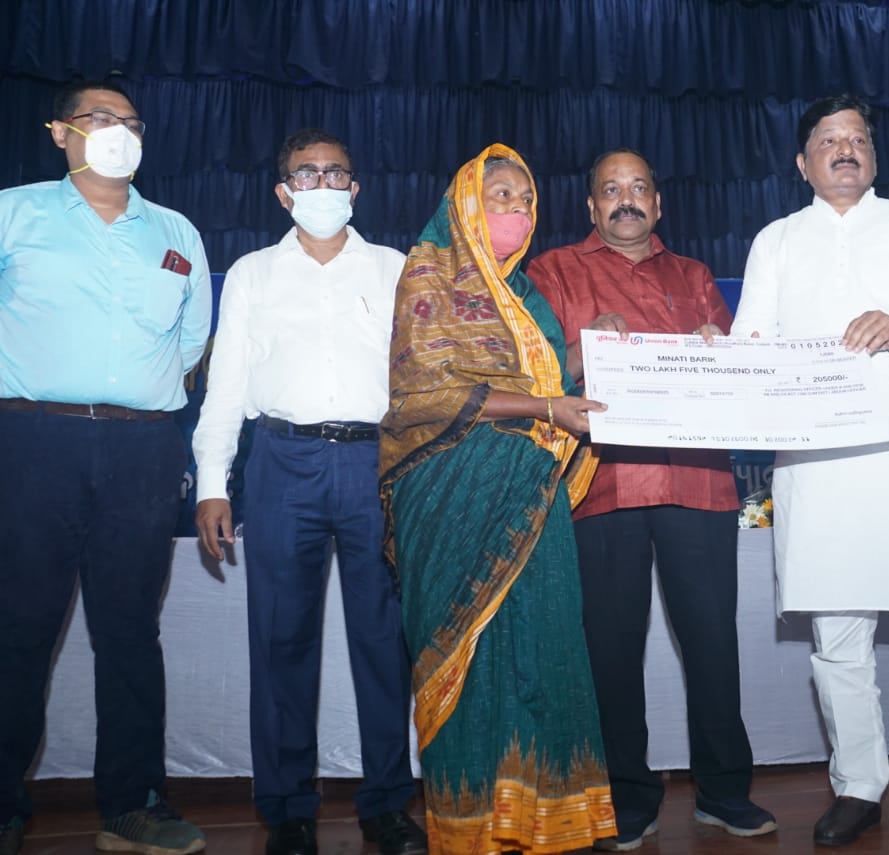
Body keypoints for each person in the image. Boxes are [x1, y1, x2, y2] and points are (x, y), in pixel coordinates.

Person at [730, 94, 889, 849]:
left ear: (873, 156)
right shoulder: (776, 241)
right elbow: (750, 343)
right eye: (829, 139)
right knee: (837, 636)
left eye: (858, 138)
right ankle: (859, 786)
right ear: (802, 162)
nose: (846, 148)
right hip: (817, 468)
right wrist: (723, 353)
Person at [527, 148, 776, 851]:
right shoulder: (553, 271)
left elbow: (737, 382)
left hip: (698, 483)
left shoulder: (695, 276)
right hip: (600, 484)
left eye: (639, 188)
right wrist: (582, 350)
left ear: (658, 204)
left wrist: (720, 350)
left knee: (713, 643)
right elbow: (532, 374)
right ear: (591, 207)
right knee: (610, 652)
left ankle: (724, 793)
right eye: (611, 190)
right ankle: (626, 799)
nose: (626, 199)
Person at [191, 129, 426, 855]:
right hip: (280, 463)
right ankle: (288, 807)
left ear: (355, 188)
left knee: (384, 641)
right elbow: (226, 385)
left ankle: (388, 803)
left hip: (375, 464)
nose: (321, 185)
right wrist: (212, 483)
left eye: (334, 173)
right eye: (306, 174)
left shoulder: (396, 269)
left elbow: (422, 381)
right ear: (283, 191)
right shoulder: (253, 273)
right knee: (280, 639)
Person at [379, 143, 616, 854]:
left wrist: (587, 353)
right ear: (464, 205)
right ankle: (470, 825)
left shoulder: (527, 296)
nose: (515, 208)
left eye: (525, 198)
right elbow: (428, 389)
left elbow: (548, 385)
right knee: (472, 658)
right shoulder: (428, 275)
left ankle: (549, 821)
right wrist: (547, 404)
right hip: (451, 496)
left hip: (531, 497)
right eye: (500, 196)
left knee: (546, 646)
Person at [0, 79, 211, 855]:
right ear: (60, 132)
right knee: (18, 627)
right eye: (98, 118)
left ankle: (132, 804)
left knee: (130, 631)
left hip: (142, 450)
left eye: (129, 121)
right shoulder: (12, 213)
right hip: (32, 441)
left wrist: (133, 401)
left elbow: (191, 343)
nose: (117, 131)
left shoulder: (177, 232)